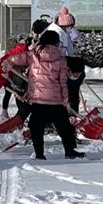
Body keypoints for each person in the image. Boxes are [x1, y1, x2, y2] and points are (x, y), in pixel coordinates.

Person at [24, 28, 84, 160]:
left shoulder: (33, 55)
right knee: (65, 128)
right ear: (56, 43)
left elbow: (17, 59)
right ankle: (70, 151)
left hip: (39, 99)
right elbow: (63, 82)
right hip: (55, 100)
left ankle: (39, 154)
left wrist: (6, 65)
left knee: (36, 127)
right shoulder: (61, 59)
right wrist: (65, 99)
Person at [0, 30, 33, 122]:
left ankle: (12, 114)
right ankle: (9, 114)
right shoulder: (22, 51)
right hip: (12, 77)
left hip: (13, 77)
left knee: (15, 95)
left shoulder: (18, 50)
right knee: (17, 95)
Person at [56, 7, 86, 113]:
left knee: (73, 90)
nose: (70, 28)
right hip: (65, 66)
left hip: (71, 64)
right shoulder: (59, 34)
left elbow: (77, 37)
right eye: (69, 26)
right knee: (70, 92)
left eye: (71, 26)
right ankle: (71, 113)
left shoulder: (67, 33)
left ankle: (73, 113)